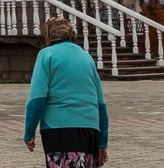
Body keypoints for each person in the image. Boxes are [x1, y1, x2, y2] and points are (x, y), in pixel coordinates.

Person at [22, 18, 109, 168]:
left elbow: (37, 100)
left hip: (58, 129)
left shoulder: (46, 55)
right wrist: (103, 143)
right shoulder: (86, 57)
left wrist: (29, 133)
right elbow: (101, 105)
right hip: (90, 130)